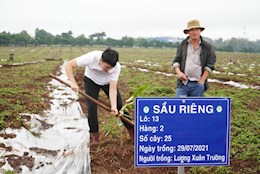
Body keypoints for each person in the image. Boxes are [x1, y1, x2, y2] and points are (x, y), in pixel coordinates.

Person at [65, 48, 134, 144]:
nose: (109, 70)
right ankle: (95, 136)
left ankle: (132, 131)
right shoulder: (91, 57)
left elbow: (112, 88)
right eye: (107, 67)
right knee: (92, 107)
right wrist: (73, 83)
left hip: (107, 83)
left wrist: (113, 107)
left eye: (111, 68)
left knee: (119, 106)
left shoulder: (116, 68)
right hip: (91, 81)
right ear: (101, 61)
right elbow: (69, 65)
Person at [172, 19, 216, 97]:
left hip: (197, 85)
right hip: (183, 84)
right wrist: (179, 73)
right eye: (192, 30)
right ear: (188, 32)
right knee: (180, 106)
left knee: (195, 108)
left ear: (200, 31)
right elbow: (176, 62)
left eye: (197, 29)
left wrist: (202, 81)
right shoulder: (182, 45)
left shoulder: (207, 47)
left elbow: (210, 65)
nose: (195, 32)